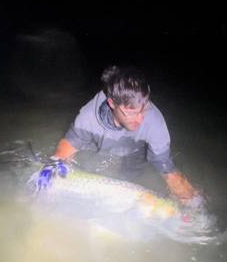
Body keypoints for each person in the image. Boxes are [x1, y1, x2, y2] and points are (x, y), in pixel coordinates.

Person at [52, 65, 200, 205]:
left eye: (144, 109)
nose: (141, 119)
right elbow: (64, 151)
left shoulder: (154, 122)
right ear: (112, 103)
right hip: (97, 146)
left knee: (132, 177)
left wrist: (193, 202)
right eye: (131, 112)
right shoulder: (88, 117)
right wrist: (52, 169)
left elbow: (167, 169)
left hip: (134, 151)